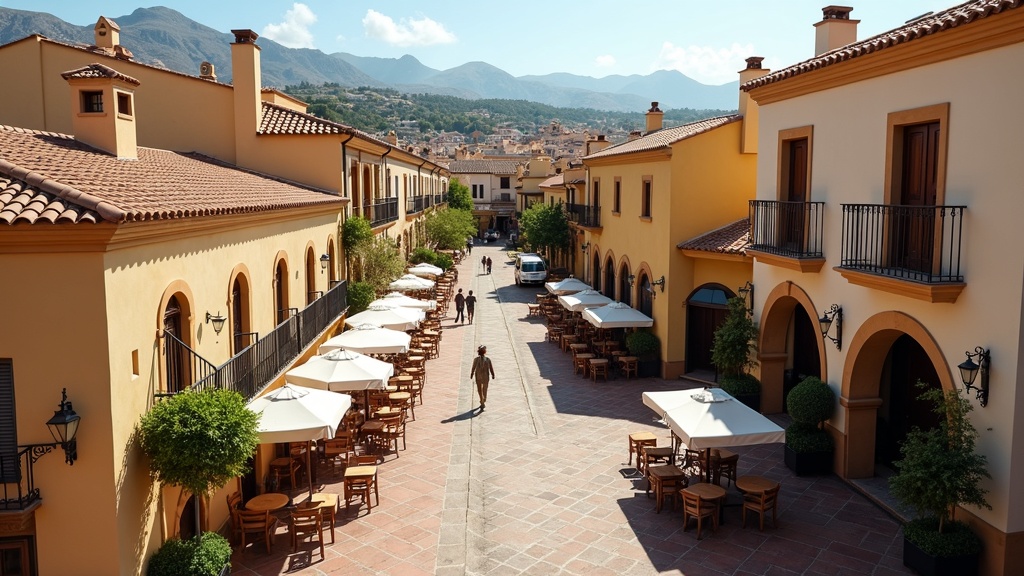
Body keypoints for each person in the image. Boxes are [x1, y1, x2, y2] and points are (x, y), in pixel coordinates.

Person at [470, 344, 495, 410]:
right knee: (485, 388)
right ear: (485, 352)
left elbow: (473, 368)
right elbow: (491, 368)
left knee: (479, 389)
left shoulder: (476, 359)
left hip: (478, 376)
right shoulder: (488, 360)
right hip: (485, 376)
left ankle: (482, 399)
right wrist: (493, 374)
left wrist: (472, 373)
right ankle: (483, 399)